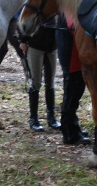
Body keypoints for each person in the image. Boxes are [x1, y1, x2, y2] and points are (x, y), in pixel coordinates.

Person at [19, 19, 61, 132]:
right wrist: (23, 40)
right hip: (35, 46)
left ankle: (51, 117)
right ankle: (33, 119)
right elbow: (26, 20)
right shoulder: (39, 3)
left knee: (50, 82)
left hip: (52, 47)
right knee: (36, 82)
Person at [56, 13, 91, 145]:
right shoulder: (69, 9)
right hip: (72, 60)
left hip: (73, 58)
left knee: (73, 96)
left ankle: (72, 127)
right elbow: (75, 26)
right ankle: (70, 134)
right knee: (71, 96)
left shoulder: (68, 8)